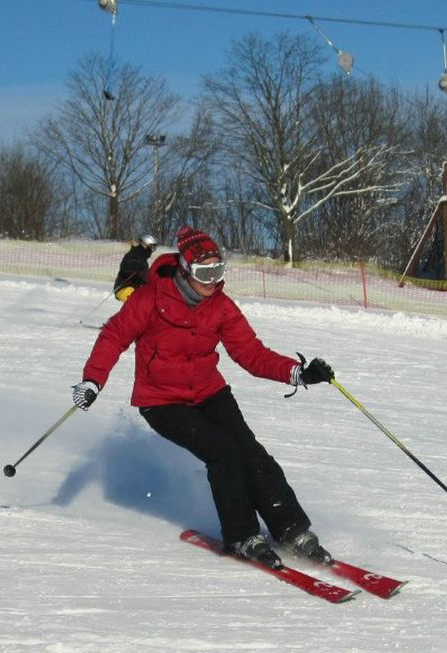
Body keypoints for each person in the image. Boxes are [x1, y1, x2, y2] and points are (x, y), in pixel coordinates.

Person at [72, 225, 336, 570]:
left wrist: (298, 373)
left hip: (210, 392)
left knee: (251, 452)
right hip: (162, 401)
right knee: (223, 453)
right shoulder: (149, 298)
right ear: (185, 268)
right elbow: (113, 337)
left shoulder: (221, 306)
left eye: (218, 271)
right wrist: (93, 381)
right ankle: (242, 535)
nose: (212, 281)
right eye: (204, 272)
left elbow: (251, 353)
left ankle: (291, 529)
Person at [113, 234, 157, 301]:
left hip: (135, 288)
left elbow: (144, 278)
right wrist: (134, 267)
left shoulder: (143, 260)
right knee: (138, 304)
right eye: (151, 247)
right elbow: (126, 267)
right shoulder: (133, 254)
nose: (152, 250)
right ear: (145, 246)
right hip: (124, 288)